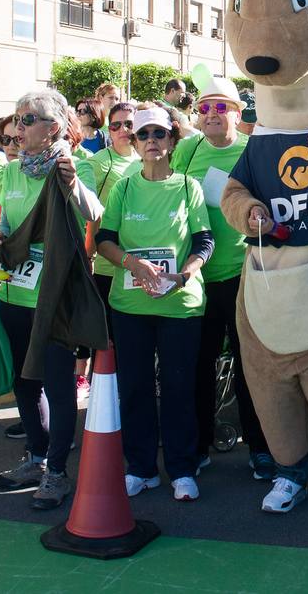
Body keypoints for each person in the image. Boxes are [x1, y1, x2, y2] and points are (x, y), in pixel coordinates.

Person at [0, 90, 102, 510]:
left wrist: (73, 186)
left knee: (57, 382)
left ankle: (57, 470)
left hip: (54, 297)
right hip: (15, 290)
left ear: (53, 127)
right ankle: (35, 454)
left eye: (28, 119)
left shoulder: (75, 165)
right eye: (17, 119)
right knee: (24, 380)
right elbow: (8, 226)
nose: (19, 127)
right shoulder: (14, 172)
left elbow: (94, 213)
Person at [96, 106, 212, 501]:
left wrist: (183, 275)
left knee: (180, 389)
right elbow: (104, 240)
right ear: (133, 140)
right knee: (135, 388)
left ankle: (182, 469)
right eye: (143, 135)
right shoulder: (125, 188)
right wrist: (133, 263)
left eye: (159, 135)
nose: (151, 142)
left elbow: (204, 242)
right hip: (130, 306)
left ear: (172, 140)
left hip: (179, 305)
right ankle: (142, 468)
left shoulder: (188, 187)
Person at [170, 78, 273, 478]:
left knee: (251, 365)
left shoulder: (253, 150)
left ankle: (260, 447)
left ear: (237, 111)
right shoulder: (186, 148)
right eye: (205, 108)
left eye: (220, 108)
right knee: (200, 362)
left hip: (242, 272)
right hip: (196, 275)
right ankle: (198, 445)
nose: (211, 115)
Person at [87, 101, 142, 330]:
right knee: (109, 338)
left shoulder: (147, 157)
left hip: (140, 260)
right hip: (107, 265)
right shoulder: (100, 162)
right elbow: (84, 206)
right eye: (115, 126)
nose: (123, 131)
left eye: (129, 124)